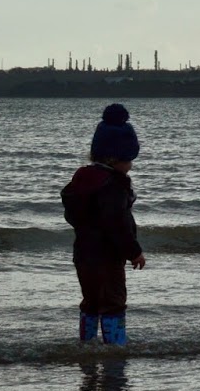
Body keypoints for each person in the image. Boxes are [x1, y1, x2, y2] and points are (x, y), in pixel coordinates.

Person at [62, 103, 146, 345]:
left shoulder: (82, 180)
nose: (130, 165)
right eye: (128, 160)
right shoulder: (114, 185)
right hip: (108, 256)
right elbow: (117, 223)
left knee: (90, 302)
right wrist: (134, 252)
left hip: (83, 253)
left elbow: (72, 215)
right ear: (115, 159)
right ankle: (115, 353)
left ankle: (86, 348)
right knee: (113, 303)